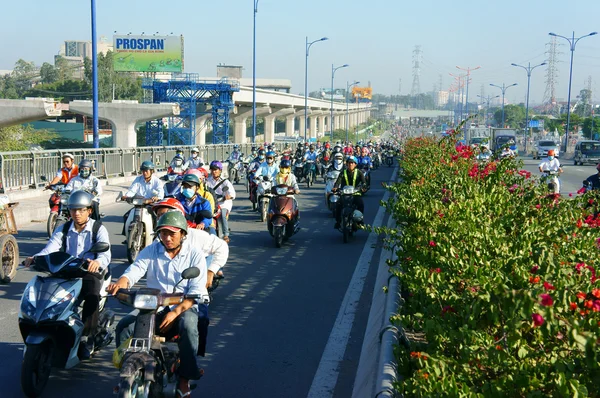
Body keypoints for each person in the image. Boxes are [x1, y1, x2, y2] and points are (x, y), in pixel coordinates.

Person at [107, 211, 208, 397]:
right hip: (154, 306)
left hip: (183, 305)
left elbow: (195, 293)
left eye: (172, 234)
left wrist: (175, 312)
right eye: (163, 233)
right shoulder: (152, 250)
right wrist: (121, 283)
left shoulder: (195, 255)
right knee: (124, 327)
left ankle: (185, 378)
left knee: (188, 325)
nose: (167, 238)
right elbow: (134, 270)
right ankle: (126, 375)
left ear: (183, 234)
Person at [25, 191, 111, 358]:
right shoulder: (62, 228)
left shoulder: (98, 228)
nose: (77, 213)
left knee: (92, 296)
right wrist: (34, 258)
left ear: (89, 211)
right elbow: (50, 248)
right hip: (67, 270)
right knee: (47, 291)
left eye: (81, 210)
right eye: (73, 210)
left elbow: (105, 252)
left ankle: (88, 337)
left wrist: (97, 262)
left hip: (89, 271)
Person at [152, 199, 228, 284]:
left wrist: (211, 271)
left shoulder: (195, 235)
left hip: (195, 286)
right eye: (158, 216)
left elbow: (222, 247)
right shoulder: (157, 241)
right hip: (168, 289)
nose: (168, 239)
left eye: (163, 215)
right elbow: (140, 265)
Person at [333, 156, 366, 229]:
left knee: (361, 204)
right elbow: (338, 181)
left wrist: (363, 187)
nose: (350, 164)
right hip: (344, 194)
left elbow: (364, 182)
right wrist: (335, 187)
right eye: (349, 163)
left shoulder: (359, 172)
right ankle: (338, 222)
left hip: (355, 194)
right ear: (347, 164)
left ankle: (360, 221)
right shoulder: (343, 172)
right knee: (338, 205)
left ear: (355, 164)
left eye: (352, 163)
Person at [206, 161, 236, 243]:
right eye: (212, 169)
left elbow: (232, 193)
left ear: (220, 170)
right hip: (212, 203)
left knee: (222, 214)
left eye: (216, 169)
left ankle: (226, 234)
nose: (214, 171)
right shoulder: (207, 181)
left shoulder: (225, 182)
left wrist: (228, 196)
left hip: (223, 203)